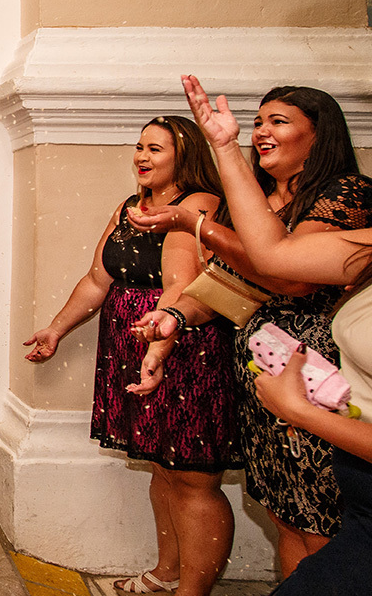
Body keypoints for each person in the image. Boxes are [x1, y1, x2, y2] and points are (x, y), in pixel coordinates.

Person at [130, 85, 372, 578]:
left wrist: (196, 224)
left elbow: (288, 275)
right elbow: (230, 284)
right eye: (258, 121)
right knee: (285, 515)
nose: (261, 131)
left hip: (319, 384)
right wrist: (174, 318)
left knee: (322, 523)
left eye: (278, 121)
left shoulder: (346, 192)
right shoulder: (257, 202)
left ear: (319, 133)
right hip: (264, 383)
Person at [22, 115, 238, 595]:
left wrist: (158, 346)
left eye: (155, 149)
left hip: (183, 350)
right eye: (139, 146)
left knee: (193, 477)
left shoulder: (197, 205)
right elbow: (98, 279)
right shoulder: (129, 207)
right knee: (161, 465)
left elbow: (181, 286)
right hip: (129, 347)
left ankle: (193, 590)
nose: (141, 156)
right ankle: (167, 572)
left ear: (185, 156)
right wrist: (56, 329)